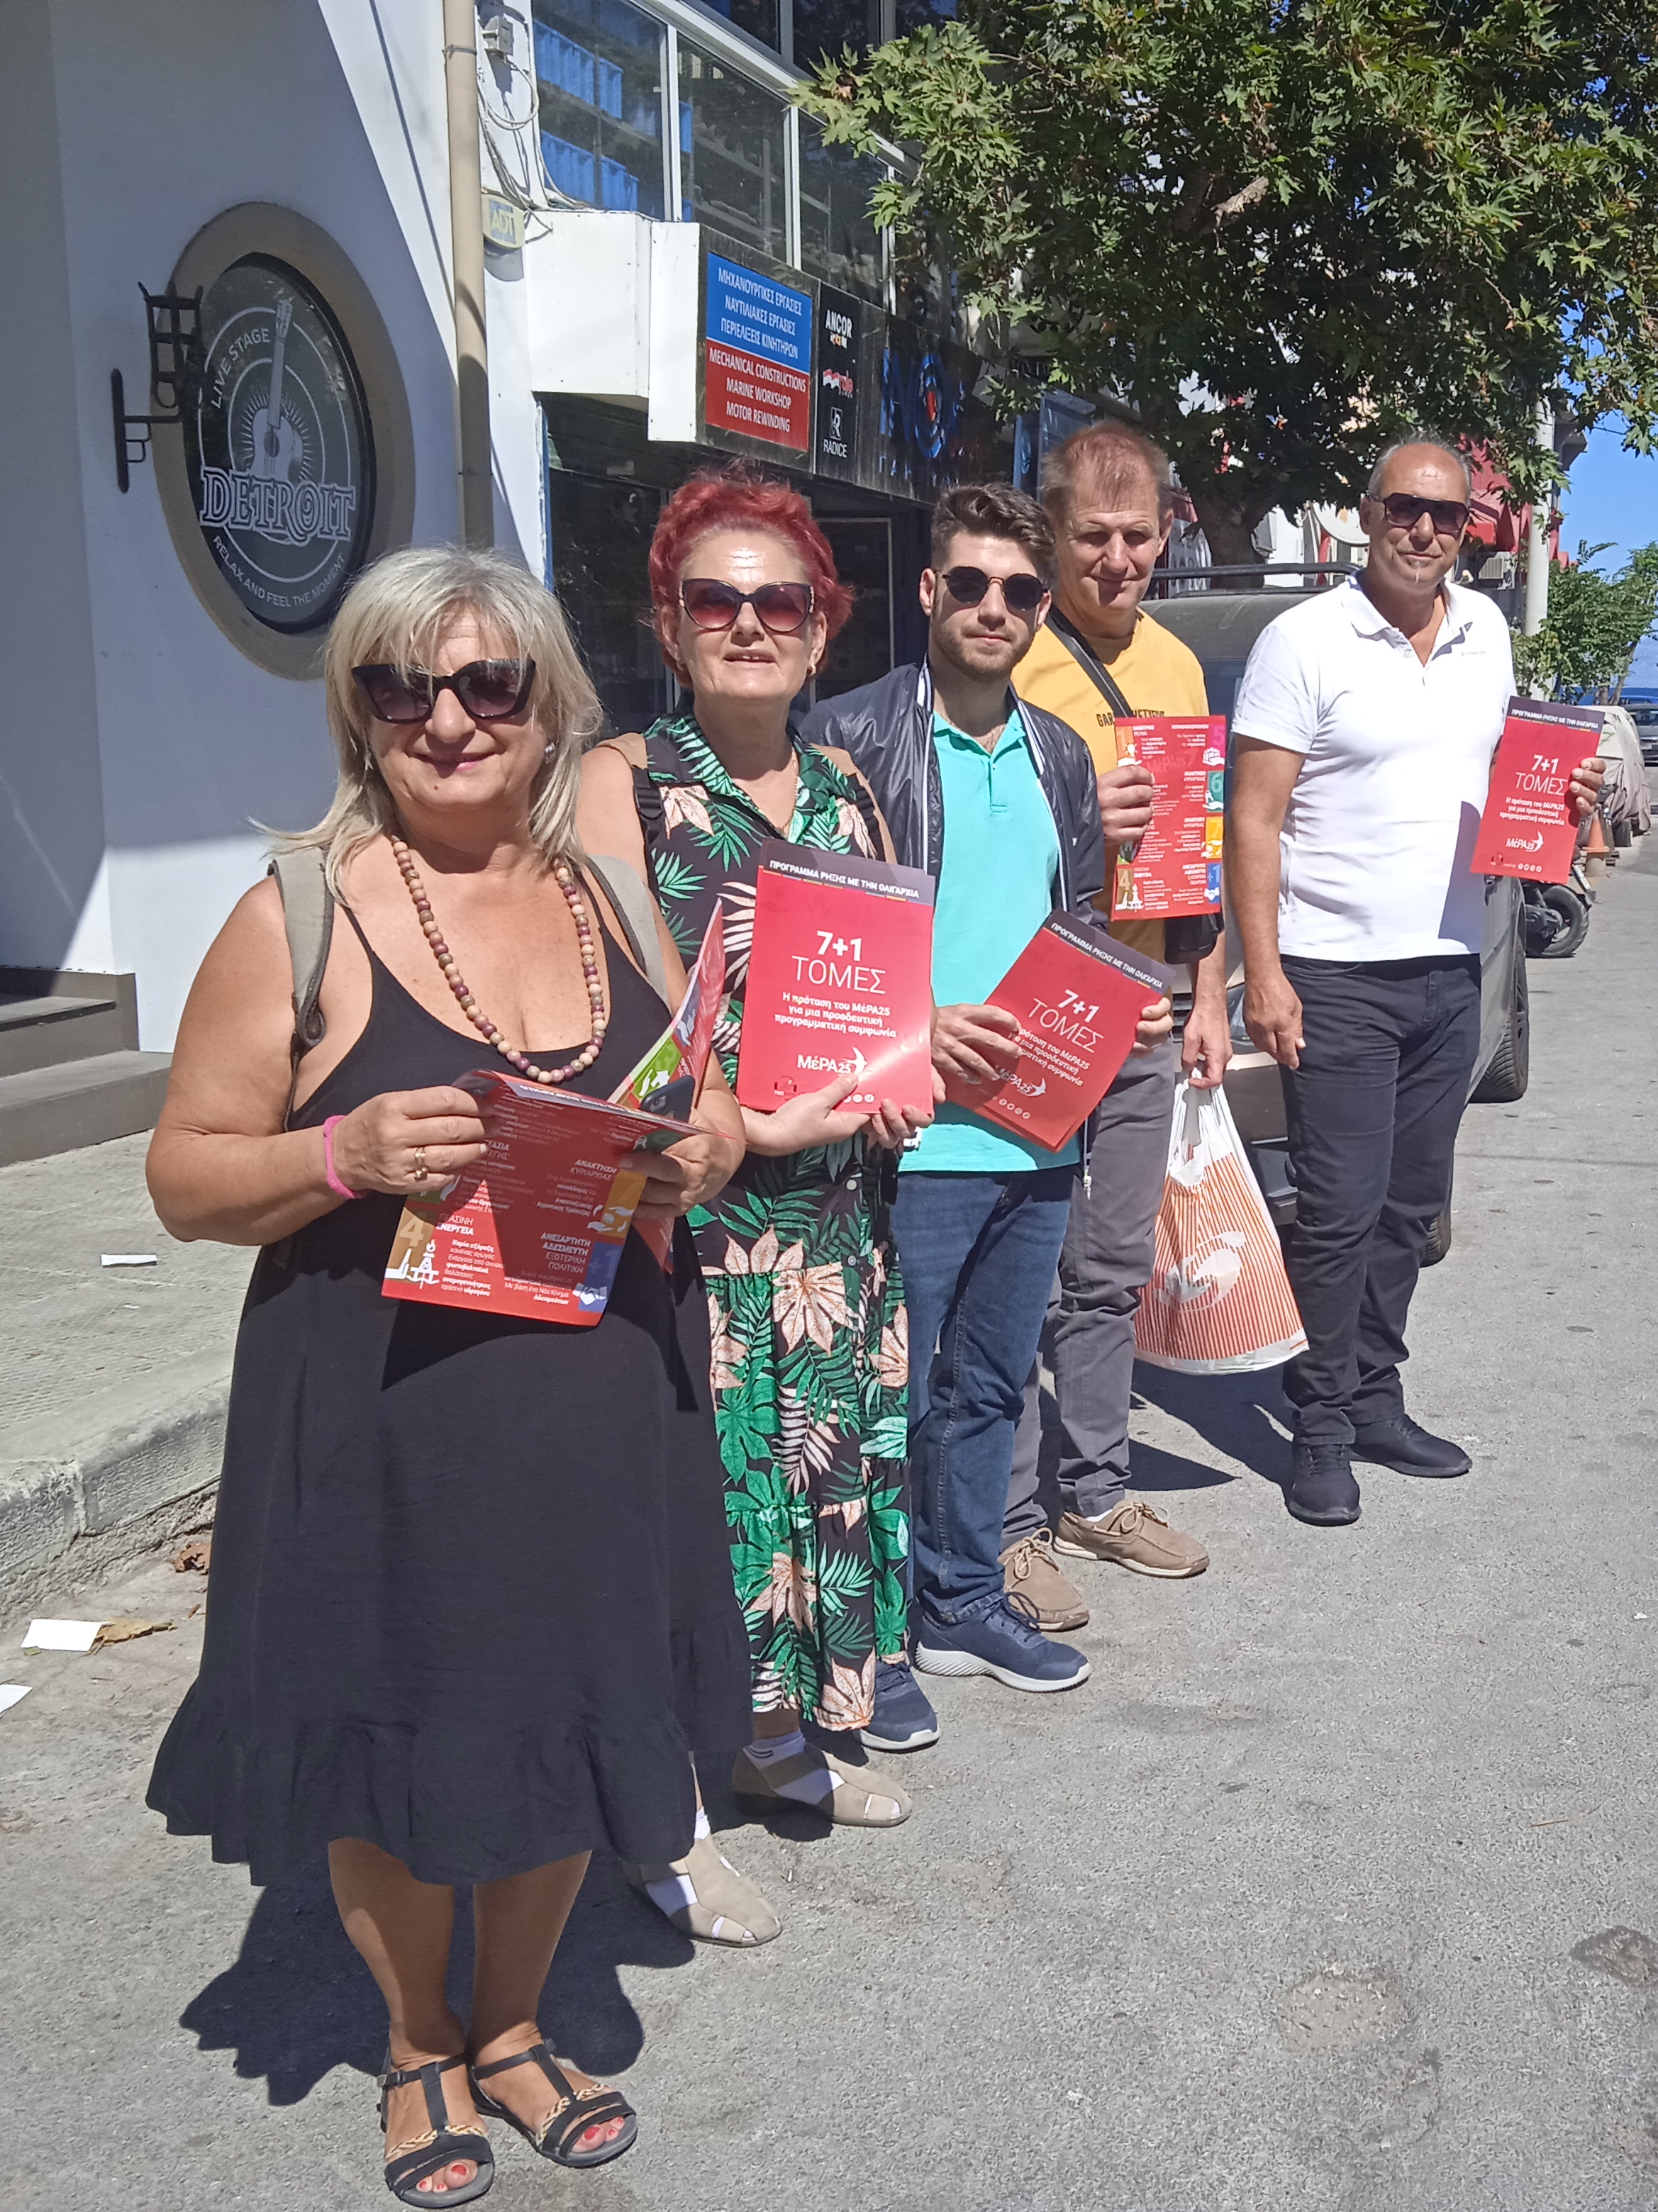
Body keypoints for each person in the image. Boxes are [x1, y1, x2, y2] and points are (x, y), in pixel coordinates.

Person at [144, 546, 750, 2206]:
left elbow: (699, 1100)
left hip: (600, 1396)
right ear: (358, 712)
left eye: (490, 683)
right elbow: (186, 1176)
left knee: (567, 1707)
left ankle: (513, 2022)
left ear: (550, 707)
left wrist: (706, 1147)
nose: (449, 718)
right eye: (399, 685)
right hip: (386, 1419)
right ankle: (419, 2044)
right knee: (396, 1724)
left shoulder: (612, 897)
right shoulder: (298, 914)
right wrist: (334, 1154)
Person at [579, 467, 936, 1936]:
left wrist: (912, 1069)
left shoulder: (848, 787)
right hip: (697, 1219)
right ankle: (664, 1819)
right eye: (712, 599)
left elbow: (882, 995)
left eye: (778, 600)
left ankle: (775, 1741)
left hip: (834, 1223)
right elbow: (607, 1012)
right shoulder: (619, 784)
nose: (747, 623)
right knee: (699, 1516)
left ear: (820, 629)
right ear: (669, 624)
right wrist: (745, 1119)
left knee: (812, 1489)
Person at [804, 483, 1164, 1719]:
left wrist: (1120, 1005)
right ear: (928, 591)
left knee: (991, 1388)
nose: (994, 607)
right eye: (970, 583)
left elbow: (1077, 922)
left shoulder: (1059, 752)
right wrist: (915, 1027)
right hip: (908, 1137)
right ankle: (878, 1645)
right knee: (889, 1398)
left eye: (1019, 590)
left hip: (1037, 1135)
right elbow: (814, 948)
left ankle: (961, 1603)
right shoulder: (849, 736)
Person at [1227, 438, 1603, 1526]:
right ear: (1367, 513)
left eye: (1449, 515)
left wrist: (1565, 796)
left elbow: (1503, 776)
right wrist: (1265, 975)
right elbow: (1252, 818)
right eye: (1405, 508)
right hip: (1335, 975)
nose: (1427, 529)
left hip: (1452, 965)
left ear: (1469, 531)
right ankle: (1320, 1429)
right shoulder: (1303, 641)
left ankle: (1376, 1398)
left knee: (1409, 1209)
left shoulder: (1486, 631)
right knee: (1338, 1214)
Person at [994, 421, 1229, 1636]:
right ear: (1053, 533)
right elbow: (973, 852)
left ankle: (1095, 1491)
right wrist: (1088, 823)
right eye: (1094, 536)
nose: (1119, 559)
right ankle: (1007, 1523)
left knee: (1109, 1273)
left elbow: (1199, 859)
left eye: (1138, 536)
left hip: (1142, 1010)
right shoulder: (1009, 655)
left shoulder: (1179, 666)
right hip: (1033, 1015)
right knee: (1016, 1279)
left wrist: (1206, 996)